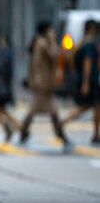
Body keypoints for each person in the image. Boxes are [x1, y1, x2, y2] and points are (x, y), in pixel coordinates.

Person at [20, 21, 70, 151]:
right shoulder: (43, 44)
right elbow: (55, 56)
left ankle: (24, 133)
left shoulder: (38, 42)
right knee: (46, 111)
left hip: (40, 83)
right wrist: (53, 42)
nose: (52, 34)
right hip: (43, 83)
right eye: (51, 31)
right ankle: (61, 136)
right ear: (46, 31)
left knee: (45, 111)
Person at [62, 20, 100, 143]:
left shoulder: (82, 41)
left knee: (89, 106)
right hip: (91, 81)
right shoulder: (90, 43)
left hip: (87, 80)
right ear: (92, 28)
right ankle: (94, 134)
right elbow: (87, 63)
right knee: (92, 106)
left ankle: (95, 134)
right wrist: (86, 83)